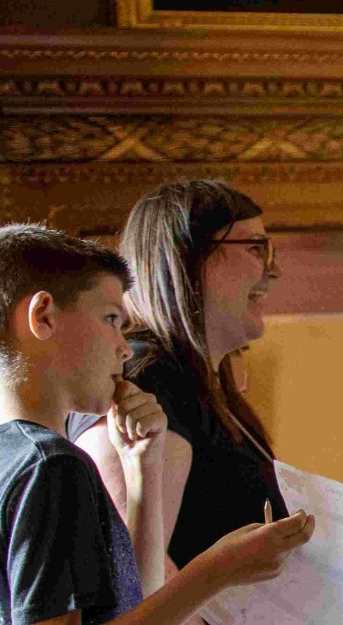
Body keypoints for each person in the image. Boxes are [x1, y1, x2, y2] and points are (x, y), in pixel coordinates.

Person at [0, 224, 315, 625]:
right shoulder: (49, 466)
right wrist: (217, 570)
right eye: (110, 319)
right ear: (43, 316)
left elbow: (136, 603)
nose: (123, 347)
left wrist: (141, 469)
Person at [66, 180, 287, 575]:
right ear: (190, 256)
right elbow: (134, 576)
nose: (274, 270)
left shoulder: (197, 381)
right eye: (256, 247)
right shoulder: (145, 378)